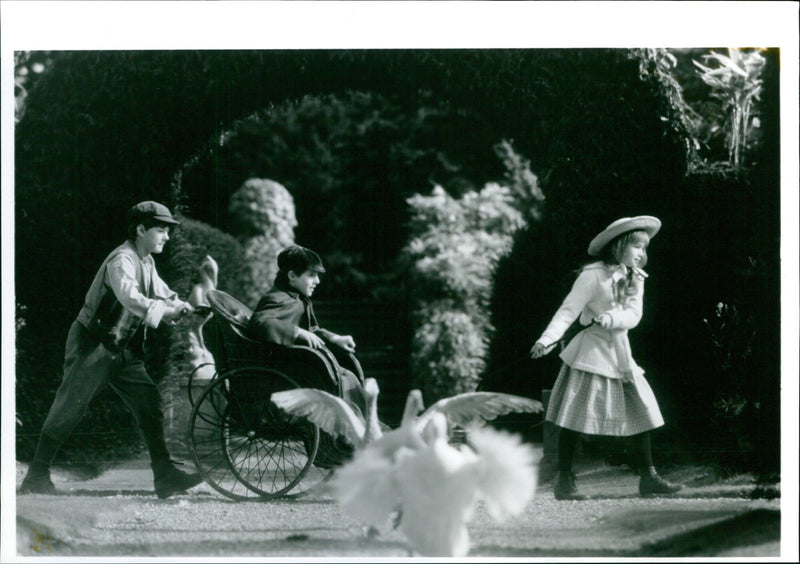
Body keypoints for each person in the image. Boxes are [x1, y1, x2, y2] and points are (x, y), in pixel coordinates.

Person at [19, 201, 204, 499]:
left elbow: (161, 290)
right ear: (141, 229)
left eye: (168, 231)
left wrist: (180, 304)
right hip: (93, 344)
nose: (167, 236)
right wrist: (165, 312)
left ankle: (165, 475)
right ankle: (36, 476)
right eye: (161, 229)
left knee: (149, 403)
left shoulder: (146, 260)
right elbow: (130, 297)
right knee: (70, 406)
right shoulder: (122, 260)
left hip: (123, 347)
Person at [530, 216, 682, 500]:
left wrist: (611, 317)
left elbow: (635, 315)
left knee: (642, 409)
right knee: (574, 416)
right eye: (636, 246)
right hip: (591, 353)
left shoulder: (635, 277)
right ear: (618, 245)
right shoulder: (592, 275)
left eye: (644, 248)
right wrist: (546, 340)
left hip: (620, 353)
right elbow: (569, 310)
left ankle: (648, 477)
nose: (641, 253)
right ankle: (564, 479)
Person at [248, 245, 366, 418]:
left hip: (299, 364)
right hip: (285, 367)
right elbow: (260, 321)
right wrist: (297, 332)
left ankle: (356, 424)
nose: (317, 281)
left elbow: (312, 330)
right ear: (292, 276)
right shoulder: (278, 298)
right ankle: (349, 429)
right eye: (311, 275)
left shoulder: (296, 297)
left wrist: (334, 338)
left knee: (348, 376)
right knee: (344, 377)